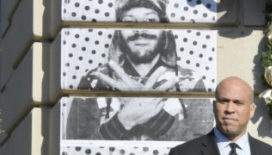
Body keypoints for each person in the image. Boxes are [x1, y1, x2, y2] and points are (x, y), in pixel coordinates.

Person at [66, 0, 207, 141]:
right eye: (129, 21)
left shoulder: (191, 82)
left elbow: (203, 153)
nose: (140, 29)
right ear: (119, 31)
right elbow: (75, 150)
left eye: (150, 20)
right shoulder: (95, 81)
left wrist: (157, 118)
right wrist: (122, 121)